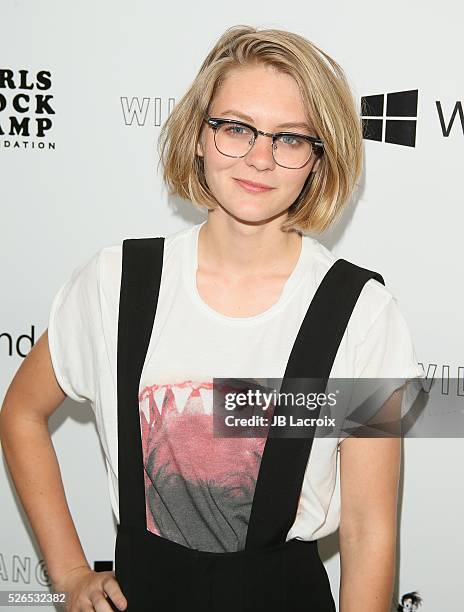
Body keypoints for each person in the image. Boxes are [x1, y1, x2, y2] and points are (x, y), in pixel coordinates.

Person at [0, 24, 424, 612]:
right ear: (199, 135)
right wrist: (70, 573)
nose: (258, 158)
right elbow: (20, 412)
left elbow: (367, 529)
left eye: (290, 139)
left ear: (317, 160)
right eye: (235, 128)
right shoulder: (114, 283)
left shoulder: (362, 314)